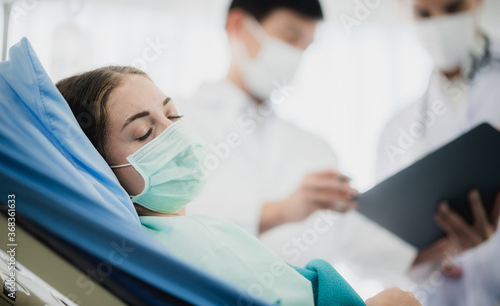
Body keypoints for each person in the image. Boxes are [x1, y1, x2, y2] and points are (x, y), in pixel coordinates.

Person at [56, 65, 420, 306]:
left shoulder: (191, 233)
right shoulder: (170, 251)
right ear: (98, 166)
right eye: (144, 132)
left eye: (172, 114)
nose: (174, 133)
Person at [177, 0, 417, 278]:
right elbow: (173, 225)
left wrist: (446, 246)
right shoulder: (174, 120)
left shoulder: (316, 149)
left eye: (305, 45)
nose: (295, 55)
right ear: (238, 26)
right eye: (289, 38)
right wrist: (282, 210)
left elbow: (358, 246)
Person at [376, 0, 500, 298]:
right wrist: (436, 252)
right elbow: (381, 250)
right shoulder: (398, 129)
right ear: (403, 9)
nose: (440, 24)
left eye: (453, 6)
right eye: (424, 14)